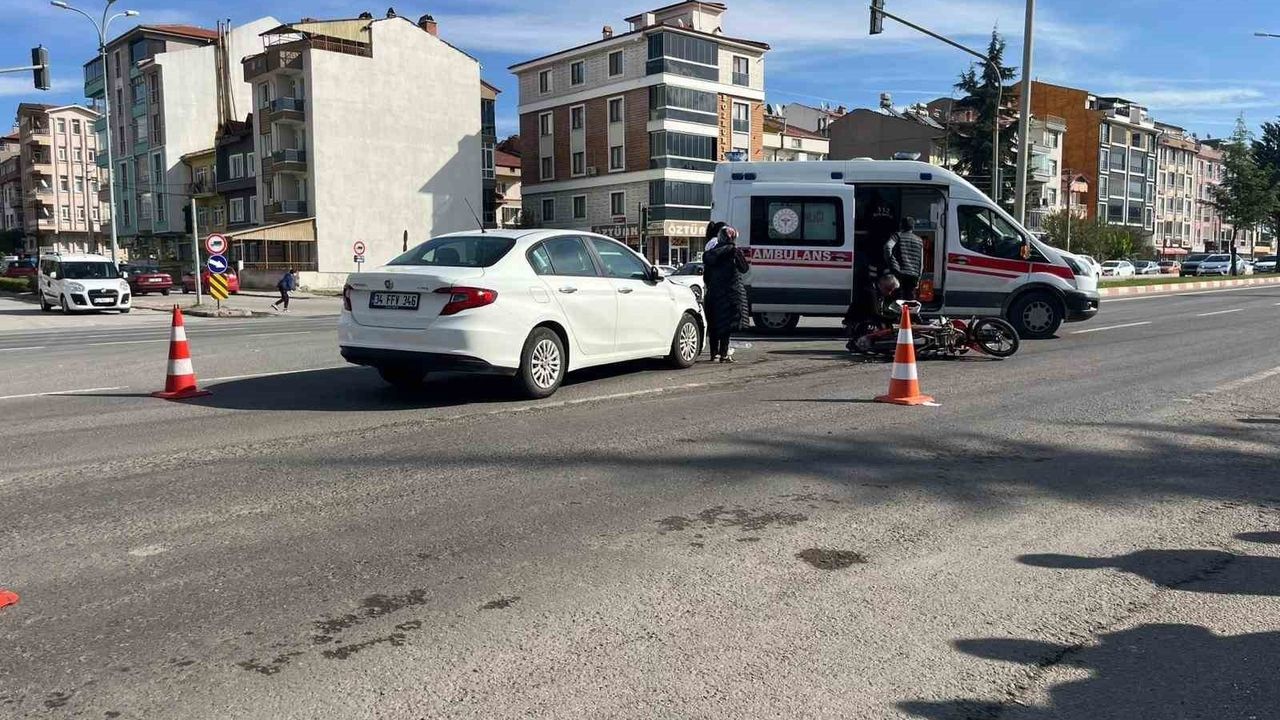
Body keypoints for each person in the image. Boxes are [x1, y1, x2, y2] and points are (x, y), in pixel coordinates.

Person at [701, 226, 750, 362]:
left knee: (714, 323)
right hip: (731, 292)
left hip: (714, 293)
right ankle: (723, 354)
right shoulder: (734, 251)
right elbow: (744, 268)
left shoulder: (710, 254)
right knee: (726, 324)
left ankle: (714, 354)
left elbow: (706, 277)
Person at [884, 216, 925, 302]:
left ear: (901, 226)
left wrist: (891, 264)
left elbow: (888, 247)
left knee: (897, 299)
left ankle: (897, 315)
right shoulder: (919, 240)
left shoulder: (897, 236)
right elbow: (921, 263)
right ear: (913, 227)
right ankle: (909, 315)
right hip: (913, 275)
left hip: (899, 273)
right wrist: (918, 278)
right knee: (910, 301)